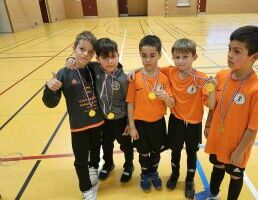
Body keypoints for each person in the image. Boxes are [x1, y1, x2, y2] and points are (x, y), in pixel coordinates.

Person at [128, 38, 216, 199]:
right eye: (177, 57)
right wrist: (135, 69)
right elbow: (150, 65)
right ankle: (174, 175)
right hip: (175, 120)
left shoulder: (201, 78)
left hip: (194, 123)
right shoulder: (170, 71)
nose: (180, 61)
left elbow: (211, 106)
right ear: (172, 58)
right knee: (175, 150)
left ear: (194, 57)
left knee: (191, 152)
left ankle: (189, 180)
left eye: (185, 57)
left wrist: (212, 90)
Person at [198, 25, 258, 200]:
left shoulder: (256, 89)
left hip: (237, 145)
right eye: (229, 49)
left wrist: (240, 151)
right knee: (217, 166)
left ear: (254, 57)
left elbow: (253, 128)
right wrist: (208, 124)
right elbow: (216, 106)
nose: (229, 55)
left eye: (237, 51)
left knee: (235, 175)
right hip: (218, 137)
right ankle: (213, 194)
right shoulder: (221, 75)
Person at [43, 31, 102, 200]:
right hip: (79, 127)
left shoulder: (93, 68)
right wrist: (49, 88)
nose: (85, 54)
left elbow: (113, 66)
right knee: (80, 160)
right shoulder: (64, 73)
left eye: (90, 52)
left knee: (96, 152)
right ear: (73, 48)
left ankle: (94, 167)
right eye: (82, 49)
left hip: (98, 123)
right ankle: (85, 190)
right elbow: (51, 102)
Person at [66, 38, 134, 183]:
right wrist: (70, 58)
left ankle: (129, 165)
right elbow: (80, 61)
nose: (109, 61)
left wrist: (129, 122)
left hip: (121, 119)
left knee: (126, 145)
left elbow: (129, 102)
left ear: (118, 55)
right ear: (97, 58)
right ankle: (109, 164)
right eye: (104, 58)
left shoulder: (124, 78)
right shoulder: (95, 69)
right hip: (103, 120)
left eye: (113, 56)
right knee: (106, 144)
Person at [126, 35, 175, 192]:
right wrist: (132, 126)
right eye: (144, 55)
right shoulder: (135, 78)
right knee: (143, 152)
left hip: (158, 123)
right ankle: (144, 174)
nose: (148, 60)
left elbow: (172, 103)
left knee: (155, 151)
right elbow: (130, 104)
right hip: (140, 124)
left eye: (152, 55)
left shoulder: (164, 79)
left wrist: (166, 97)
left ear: (159, 55)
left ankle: (154, 172)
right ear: (140, 55)